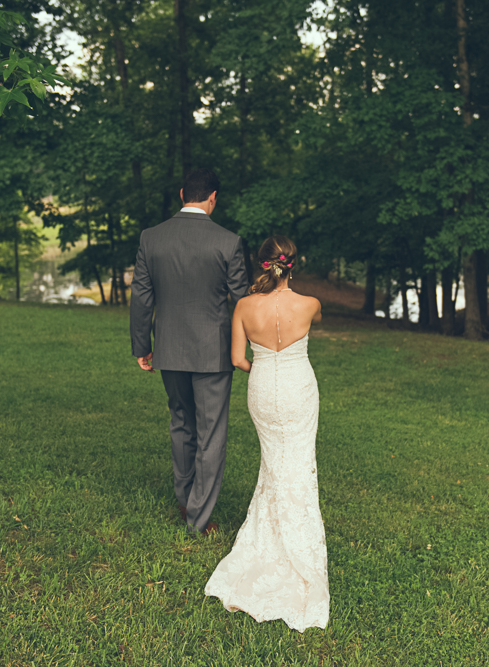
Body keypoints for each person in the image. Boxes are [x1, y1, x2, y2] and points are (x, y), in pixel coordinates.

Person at [204, 235, 329, 633]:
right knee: (297, 465)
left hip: (262, 388)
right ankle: (296, 549)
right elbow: (314, 324)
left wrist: (262, 366)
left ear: (261, 265)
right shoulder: (310, 305)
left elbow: (238, 359)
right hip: (299, 388)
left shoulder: (243, 306)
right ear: (294, 263)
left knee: (274, 466)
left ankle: (267, 545)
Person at [130, 168, 249, 536]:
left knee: (181, 422)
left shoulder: (152, 238)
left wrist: (142, 346)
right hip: (214, 352)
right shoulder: (228, 241)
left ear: (183, 194)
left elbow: (140, 297)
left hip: (169, 348)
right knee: (211, 432)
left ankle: (186, 500)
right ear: (213, 197)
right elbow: (243, 301)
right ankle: (198, 517)